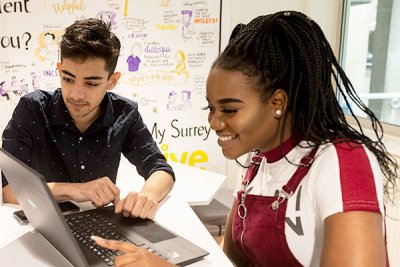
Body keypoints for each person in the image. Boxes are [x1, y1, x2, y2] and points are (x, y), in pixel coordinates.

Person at [92, 10, 399, 266]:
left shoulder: (343, 163)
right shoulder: (257, 160)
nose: (214, 122)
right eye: (211, 108)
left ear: (277, 103)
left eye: (229, 109)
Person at [1, 18, 175, 220]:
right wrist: (76, 190)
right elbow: (9, 190)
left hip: (101, 226)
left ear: (112, 81)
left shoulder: (125, 113)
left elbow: (161, 169)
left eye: (91, 84)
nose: (76, 95)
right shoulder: (32, 109)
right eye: (68, 79)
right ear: (59, 70)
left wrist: (147, 196)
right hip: (46, 226)